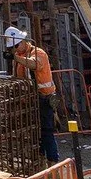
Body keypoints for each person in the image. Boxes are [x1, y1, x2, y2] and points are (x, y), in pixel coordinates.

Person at [6, 26, 60, 163]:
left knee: (46, 132)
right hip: (30, 101)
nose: (16, 49)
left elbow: (34, 65)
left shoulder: (38, 53)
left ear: (24, 41)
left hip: (44, 99)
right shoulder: (20, 57)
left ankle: (53, 163)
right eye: (13, 47)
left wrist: (15, 58)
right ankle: (40, 163)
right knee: (35, 133)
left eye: (17, 45)